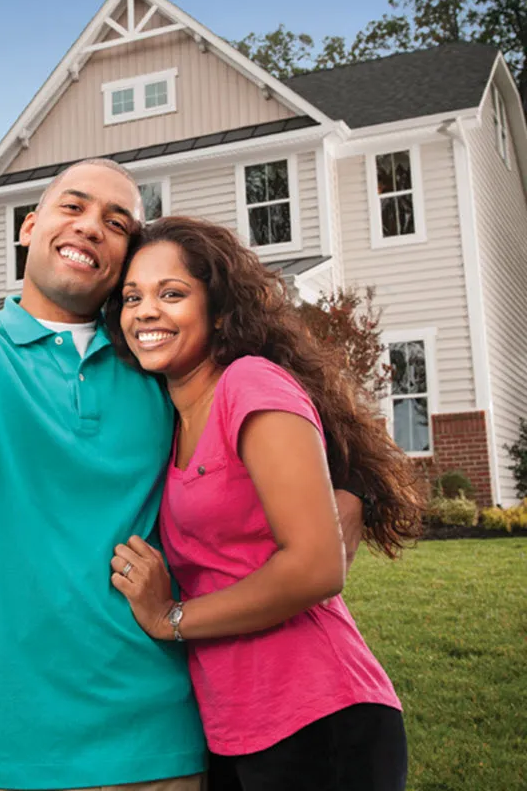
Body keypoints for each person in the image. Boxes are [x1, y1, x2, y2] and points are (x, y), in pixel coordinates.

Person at [0, 160, 370, 791]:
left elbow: (293, 450)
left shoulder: (159, 367)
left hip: (155, 745)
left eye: (117, 223)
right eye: (73, 207)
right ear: (29, 227)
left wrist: (344, 508)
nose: (92, 227)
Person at [103, 216, 423, 791]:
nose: (146, 311)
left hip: (319, 715)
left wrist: (168, 617)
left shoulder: (250, 384)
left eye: (171, 294)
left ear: (220, 310)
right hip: (232, 727)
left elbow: (315, 567)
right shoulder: (171, 420)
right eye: (132, 297)